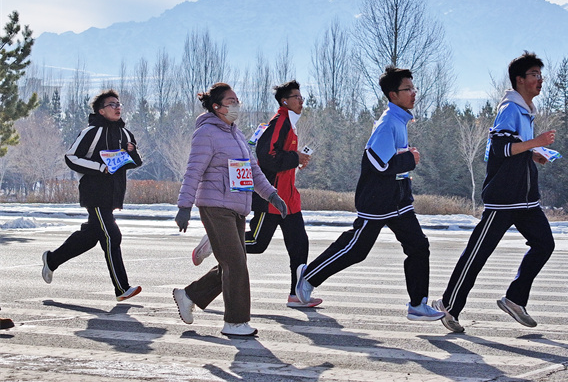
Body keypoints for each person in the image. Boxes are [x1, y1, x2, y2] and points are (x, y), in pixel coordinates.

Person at [294, 66, 444, 322]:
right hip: (378, 201)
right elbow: (378, 163)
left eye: (413, 88)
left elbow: (391, 161)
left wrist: (406, 160)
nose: (413, 93)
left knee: (419, 246)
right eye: (407, 89)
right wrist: (410, 159)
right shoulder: (388, 123)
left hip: (399, 201)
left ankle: (418, 304)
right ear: (392, 94)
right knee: (356, 249)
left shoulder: (399, 120)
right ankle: (308, 277)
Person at [432, 51, 556, 333]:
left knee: (544, 244)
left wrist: (533, 153)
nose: (540, 80)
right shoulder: (510, 109)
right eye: (534, 75)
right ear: (519, 79)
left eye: (541, 75)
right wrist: (535, 142)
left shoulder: (525, 110)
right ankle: (449, 305)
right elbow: (499, 148)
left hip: (526, 199)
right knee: (478, 253)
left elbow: (514, 149)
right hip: (504, 199)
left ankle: (515, 298)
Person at [191, 80, 321, 308]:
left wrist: (297, 161)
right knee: (256, 243)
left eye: (302, 97)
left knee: (300, 244)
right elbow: (266, 157)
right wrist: (294, 158)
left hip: (289, 198)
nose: (301, 101)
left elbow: (280, 158)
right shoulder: (278, 122)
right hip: (270, 197)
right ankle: (215, 241)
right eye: (297, 97)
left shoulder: (290, 124)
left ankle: (296, 294)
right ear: (284, 101)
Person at [173, 83, 287, 337]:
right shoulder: (206, 133)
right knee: (235, 263)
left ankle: (190, 295)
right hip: (214, 205)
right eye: (230, 102)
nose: (236, 106)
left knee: (234, 263)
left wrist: (272, 195)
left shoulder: (236, 134)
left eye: (237, 101)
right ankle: (235, 322)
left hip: (236, 206)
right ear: (217, 107)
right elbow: (193, 171)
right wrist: (184, 206)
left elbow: (253, 170)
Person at [43, 89, 143, 302]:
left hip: (114, 195)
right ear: (101, 111)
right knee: (112, 236)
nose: (117, 107)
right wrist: (99, 167)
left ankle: (52, 260)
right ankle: (121, 288)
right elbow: (71, 157)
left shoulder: (125, 134)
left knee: (90, 237)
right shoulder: (92, 132)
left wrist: (132, 152)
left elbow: (135, 162)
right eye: (112, 104)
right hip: (95, 194)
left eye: (118, 104)